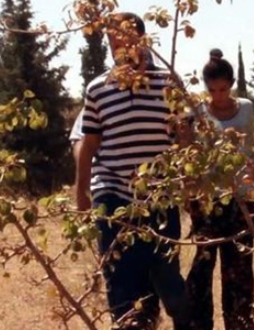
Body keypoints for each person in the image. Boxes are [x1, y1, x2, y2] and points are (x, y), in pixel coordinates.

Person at [74, 12, 192, 330]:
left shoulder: (168, 82)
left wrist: (192, 181)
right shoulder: (98, 88)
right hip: (112, 193)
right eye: (112, 41)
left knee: (165, 275)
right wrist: (81, 192)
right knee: (120, 278)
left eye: (123, 38)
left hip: (160, 196)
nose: (118, 46)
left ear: (141, 39)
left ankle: (178, 317)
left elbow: (184, 137)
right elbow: (89, 144)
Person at [185, 49, 254, 330]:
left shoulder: (248, 108)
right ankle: (198, 324)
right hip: (207, 199)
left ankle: (240, 323)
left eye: (224, 88)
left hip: (241, 197)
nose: (219, 95)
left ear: (232, 83)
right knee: (203, 264)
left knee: (238, 267)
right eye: (213, 89)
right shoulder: (197, 111)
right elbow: (188, 152)